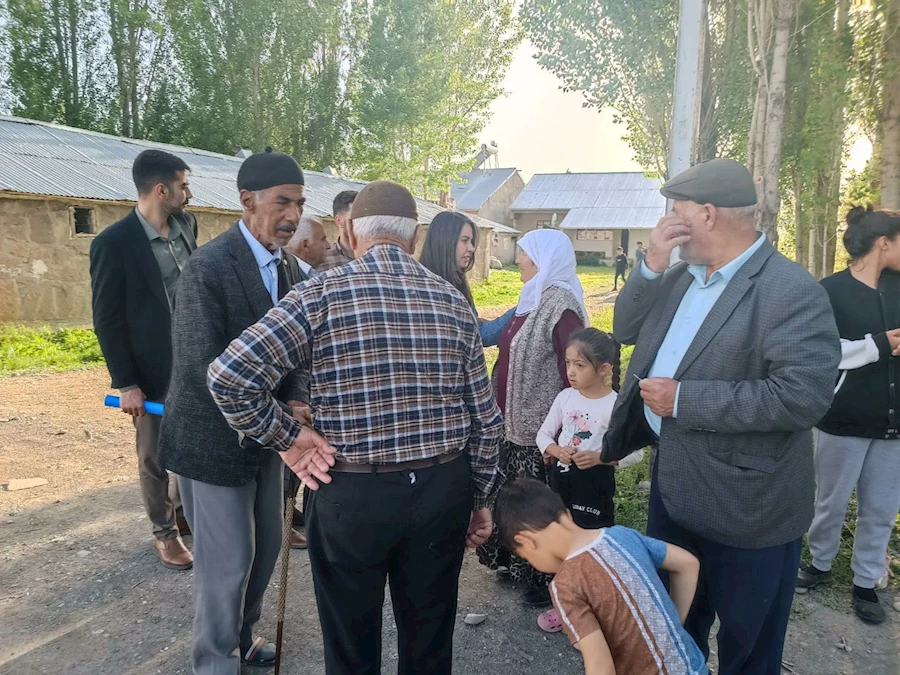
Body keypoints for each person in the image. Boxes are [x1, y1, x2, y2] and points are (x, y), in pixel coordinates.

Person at [207, 180, 503, 675]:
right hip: (440, 491)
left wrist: (289, 440)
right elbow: (486, 421)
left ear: (348, 233)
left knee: (349, 647)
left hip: (351, 494)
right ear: (414, 239)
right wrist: (479, 498)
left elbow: (228, 377)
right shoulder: (453, 302)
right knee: (430, 643)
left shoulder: (318, 294)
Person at [602, 158, 840, 675]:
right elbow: (624, 329)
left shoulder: (790, 290)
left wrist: (685, 401)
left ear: (707, 215)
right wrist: (651, 262)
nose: (668, 223)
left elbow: (803, 396)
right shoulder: (678, 277)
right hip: (675, 489)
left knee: (748, 647)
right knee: (676, 628)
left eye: (677, 212)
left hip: (748, 507)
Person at [158, 149, 317, 673]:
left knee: (265, 548)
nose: (293, 215)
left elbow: (298, 351)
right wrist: (279, 424)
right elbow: (199, 367)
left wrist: (296, 397)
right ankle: (215, 662)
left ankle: (242, 638)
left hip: (269, 438)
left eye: (299, 203)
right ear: (247, 200)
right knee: (226, 564)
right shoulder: (208, 267)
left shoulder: (291, 267)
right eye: (282, 203)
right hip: (212, 443)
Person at [89, 149, 197, 570]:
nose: (189, 193)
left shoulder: (187, 224)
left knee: (193, 442)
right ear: (161, 190)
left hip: (194, 362)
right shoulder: (113, 244)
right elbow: (107, 320)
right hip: (149, 371)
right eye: (184, 185)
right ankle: (164, 533)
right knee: (154, 455)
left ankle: (183, 514)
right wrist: (126, 383)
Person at [797, 205, 900, 624]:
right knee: (831, 499)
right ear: (884, 243)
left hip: (894, 421)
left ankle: (866, 581)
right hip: (844, 417)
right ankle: (820, 563)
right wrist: (879, 345)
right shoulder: (831, 290)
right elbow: (822, 352)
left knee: (882, 508)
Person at [476, 228, 588, 608]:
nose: (519, 260)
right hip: (512, 425)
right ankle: (516, 565)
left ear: (543, 259)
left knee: (537, 507)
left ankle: (546, 579)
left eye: (525, 254)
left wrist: (564, 431)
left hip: (539, 431)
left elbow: (575, 372)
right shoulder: (533, 299)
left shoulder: (562, 309)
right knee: (514, 501)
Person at [495, 479, 708, 675]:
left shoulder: (565, 585)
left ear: (526, 541)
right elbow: (688, 564)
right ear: (567, 515)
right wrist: (672, 625)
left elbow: (601, 669)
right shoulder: (623, 535)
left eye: (527, 557)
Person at [535, 328, 643, 632]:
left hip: (595, 490)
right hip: (561, 485)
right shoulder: (565, 398)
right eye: (568, 363)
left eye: (580, 365)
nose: (571, 371)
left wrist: (601, 458)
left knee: (591, 549)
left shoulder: (615, 405)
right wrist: (556, 450)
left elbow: (636, 453)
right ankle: (564, 605)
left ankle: (593, 607)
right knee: (562, 544)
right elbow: (543, 435)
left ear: (604, 369)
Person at [419, 210, 515, 346]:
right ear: (444, 242)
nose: (471, 248)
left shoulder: (457, 281)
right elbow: (478, 335)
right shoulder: (427, 288)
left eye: (471, 241)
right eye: (464, 240)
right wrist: (522, 309)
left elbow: (473, 328)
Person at [318, 190, 357, 271]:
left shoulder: (376, 255)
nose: (361, 223)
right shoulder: (323, 261)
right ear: (339, 221)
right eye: (355, 219)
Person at [287, 214, 329, 279]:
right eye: (323, 239)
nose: (328, 246)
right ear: (305, 245)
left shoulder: (309, 272)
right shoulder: (288, 275)